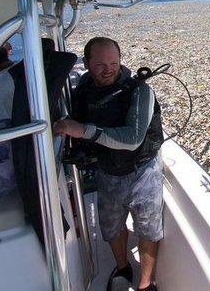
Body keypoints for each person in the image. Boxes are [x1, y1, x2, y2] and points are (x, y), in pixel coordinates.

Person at [53, 37, 164, 291]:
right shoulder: (84, 87)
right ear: (87, 64)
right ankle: (122, 268)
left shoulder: (140, 91)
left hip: (142, 172)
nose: (108, 69)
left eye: (114, 62)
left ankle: (145, 284)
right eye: (100, 64)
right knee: (112, 226)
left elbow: (133, 139)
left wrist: (83, 131)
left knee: (148, 229)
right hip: (106, 170)